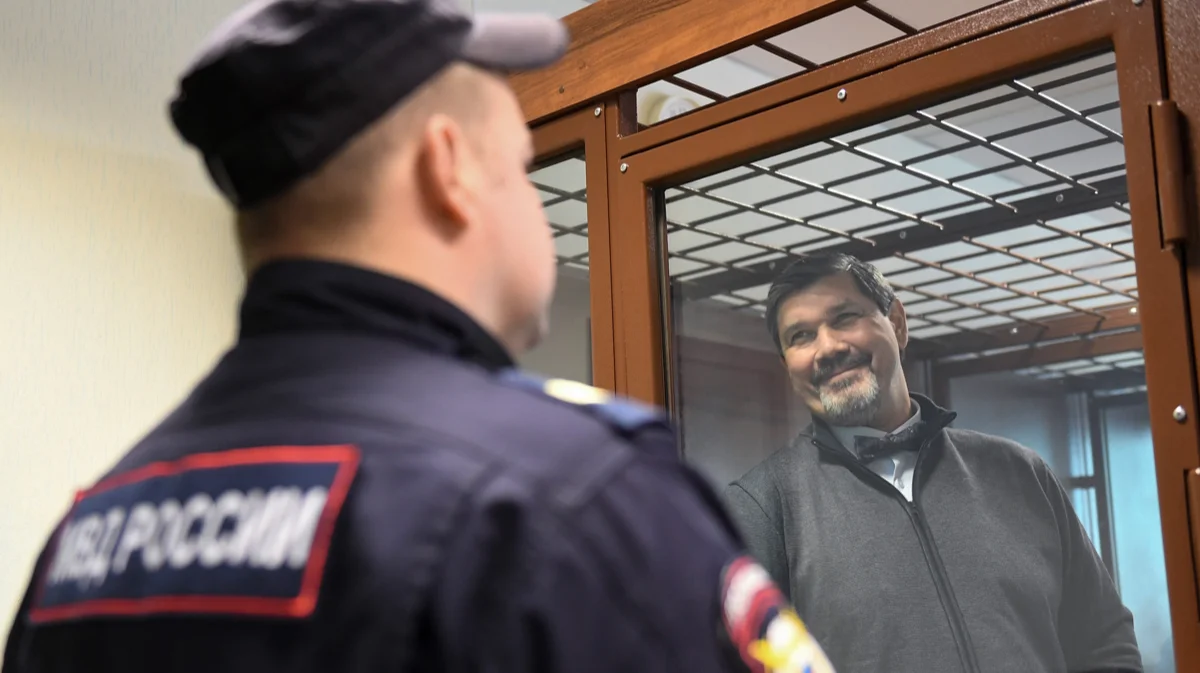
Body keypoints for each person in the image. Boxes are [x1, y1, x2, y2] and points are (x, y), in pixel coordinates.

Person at [0, 1, 836, 672]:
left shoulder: (88, 540)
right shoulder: (568, 494)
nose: (534, 209)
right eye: (518, 167)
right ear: (449, 167)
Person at [724, 252, 1142, 673]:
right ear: (787, 365)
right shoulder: (761, 507)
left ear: (897, 323)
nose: (828, 347)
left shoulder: (1020, 472)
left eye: (845, 317)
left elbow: (1104, 642)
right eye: (801, 336)